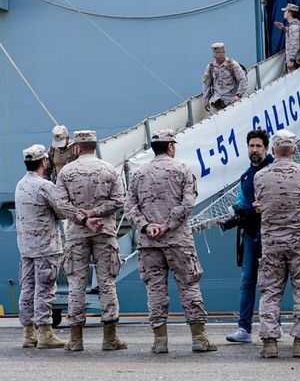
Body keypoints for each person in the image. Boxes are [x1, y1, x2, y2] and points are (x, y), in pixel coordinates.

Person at [124, 128, 217, 353]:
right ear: (171, 146)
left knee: (155, 290)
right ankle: (199, 338)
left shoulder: (139, 174)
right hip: (178, 241)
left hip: (149, 242)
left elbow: (130, 207)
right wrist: (168, 225)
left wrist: (146, 226)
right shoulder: (183, 170)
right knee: (189, 286)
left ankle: (160, 341)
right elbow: (187, 203)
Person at [55, 129, 128, 351]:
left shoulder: (66, 172)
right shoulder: (109, 170)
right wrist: (96, 213)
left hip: (77, 233)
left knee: (76, 283)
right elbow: (118, 200)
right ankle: (109, 338)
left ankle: (76, 340)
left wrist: (82, 217)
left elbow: (60, 202)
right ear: (94, 146)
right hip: (104, 231)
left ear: (76, 148)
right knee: (106, 281)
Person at [253, 129, 300, 359]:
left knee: (270, 291)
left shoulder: (260, 176)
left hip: (272, 243)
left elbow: (261, 203)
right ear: (294, 149)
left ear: (272, 150)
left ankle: (269, 343)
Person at [15, 144, 83, 349]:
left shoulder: (20, 185)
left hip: (26, 247)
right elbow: (62, 211)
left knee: (27, 288)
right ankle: (45, 332)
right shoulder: (44, 186)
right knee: (45, 289)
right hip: (46, 246)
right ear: (44, 162)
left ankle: (28, 333)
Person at [225, 129, 274, 344]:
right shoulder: (246, 175)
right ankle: (244, 328)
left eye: (258, 146)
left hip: (272, 233)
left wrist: (266, 206)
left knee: (272, 282)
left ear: (267, 148)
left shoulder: (274, 170)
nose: (254, 150)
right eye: (251, 146)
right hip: (251, 233)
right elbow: (242, 200)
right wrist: (238, 210)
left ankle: (272, 325)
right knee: (247, 281)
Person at [201, 42, 248, 114]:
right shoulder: (211, 67)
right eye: (216, 54)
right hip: (217, 100)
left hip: (231, 99)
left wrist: (239, 95)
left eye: (220, 54)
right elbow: (206, 84)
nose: (218, 57)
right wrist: (206, 100)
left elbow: (243, 80)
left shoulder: (232, 65)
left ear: (224, 52)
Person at [274, 4, 300, 72]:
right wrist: (284, 28)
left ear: (289, 13)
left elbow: (295, 45)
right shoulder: (296, 24)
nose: (284, 13)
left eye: (285, 11)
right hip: (297, 58)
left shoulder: (294, 27)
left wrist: (291, 59)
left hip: (295, 59)